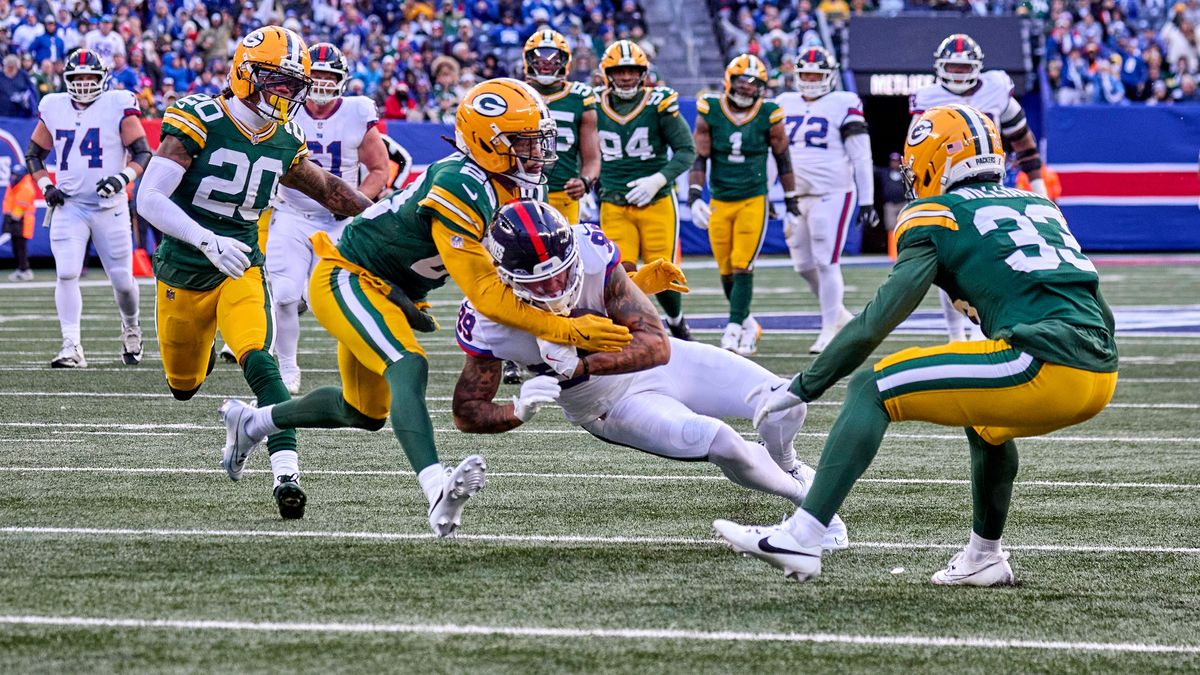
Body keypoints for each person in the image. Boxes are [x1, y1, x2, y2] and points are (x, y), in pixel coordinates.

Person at [714, 104, 1119, 586]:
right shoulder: (1039, 206)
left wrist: (806, 384)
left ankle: (803, 535)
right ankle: (984, 558)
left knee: (871, 387)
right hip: (1099, 371)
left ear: (934, 160)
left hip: (1042, 361)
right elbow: (1095, 301)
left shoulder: (935, 215)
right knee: (988, 425)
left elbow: (877, 320)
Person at [216, 78, 634, 537]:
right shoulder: (460, 182)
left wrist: (632, 278)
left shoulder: (516, 187)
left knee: (364, 412)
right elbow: (486, 293)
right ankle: (436, 489)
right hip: (348, 276)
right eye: (522, 142)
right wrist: (568, 332)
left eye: (536, 141)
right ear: (485, 143)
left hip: (392, 291)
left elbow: (543, 261)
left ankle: (252, 422)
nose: (535, 153)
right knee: (407, 364)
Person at [451, 199, 847, 548]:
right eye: (542, 281)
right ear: (507, 280)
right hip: (609, 406)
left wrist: (583, 362)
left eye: (563, 271)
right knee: (725, 443)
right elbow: (467, 410)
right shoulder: (489, 320)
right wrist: (518, 411)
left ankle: (788, 463)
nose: (558, 285)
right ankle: (812, 508)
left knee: (784, 399)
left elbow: (656, 346)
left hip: (663, 364)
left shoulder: (590, 249)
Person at [135, 27, 373, 519]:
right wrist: (205, 238)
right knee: (183, 385)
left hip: (242, 263)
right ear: (246, 74)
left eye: (294, 85)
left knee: (262, 364)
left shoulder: (285, 136)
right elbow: (149, 198)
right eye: (277, 81)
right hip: (185, 267)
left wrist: (390, 224)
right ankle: (223, 408)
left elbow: (330, 191)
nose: (287, 93)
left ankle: (287, 475)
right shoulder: (201, 118)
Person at [267, 43, 389, 395]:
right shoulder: (285, 111)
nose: (321, 82)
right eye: (315, 75)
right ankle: (288, 366)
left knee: (329, 297)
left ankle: (367, 364)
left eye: (328, 76)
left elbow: (379, 168)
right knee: (286, 295)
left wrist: (353, 203)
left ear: (342, 79)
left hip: (338, 222)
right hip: (292, 214)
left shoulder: (356, 112)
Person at [910, 34, 1049, 342]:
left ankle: (988, 330)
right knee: (946, 266)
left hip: (991, 188)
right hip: (946, 190)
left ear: (977, 68)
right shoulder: (928, 97)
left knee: (992, 260)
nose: (958, 73)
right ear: (940, 67)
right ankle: (956, 336)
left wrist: (1038, 185)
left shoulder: (997, 91)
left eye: (964, 67)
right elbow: (915, 150)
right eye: (953, 67)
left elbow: (1023, 141)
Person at [25, 48, 151, 368]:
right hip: (70, 206)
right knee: (66, 273)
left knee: (122, 281)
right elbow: (33, 155)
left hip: (110, 206)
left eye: (89, 77)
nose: (83, 83)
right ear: (66, 79)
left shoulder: (118, 104)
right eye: (77, 78)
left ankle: (131, 326)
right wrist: (46, 186)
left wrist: (121, 178)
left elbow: (142, 153)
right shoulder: (53, 106)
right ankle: (71, 345)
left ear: (102, 79)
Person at [510, 28, 600, 384]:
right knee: (513, 273)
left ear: (565, 62)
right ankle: (511, 352)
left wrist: (587, 180)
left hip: (562, 196)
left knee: (562, 278)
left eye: (553, 59)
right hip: (520, 192)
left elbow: (592, 157)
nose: (546, 64)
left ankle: (561, 345)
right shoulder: (514, 94)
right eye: (539, 58)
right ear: (528, 62)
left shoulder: (580, 98)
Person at [689, 54, 795, 356]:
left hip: (753, 199)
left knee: (742, 264)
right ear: (729, 81)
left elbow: (783, 158)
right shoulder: (710, 109)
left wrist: (791, 201)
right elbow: (700, 156)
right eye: (742, 81)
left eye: (754, 83)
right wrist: (695, 193)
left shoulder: (770, 113)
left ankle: (733, 328)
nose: (747, 88)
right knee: (725, 271)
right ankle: (748, 323)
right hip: (720, 199)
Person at [775, 46, 876, 354]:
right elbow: (774, 152)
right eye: (805, 73)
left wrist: (867, 198)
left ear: (830, 77)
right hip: (795, 194)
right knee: (802, 264)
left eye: (816, 74)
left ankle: (829, 328)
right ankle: (840, 314)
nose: (810, 79)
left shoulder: (842, 102)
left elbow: (860, 153)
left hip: (833, 191)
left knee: (825, 257)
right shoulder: (782, 102)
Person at [595, 40, 697, 340]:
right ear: (607, 73)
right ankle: (634, 331)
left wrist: (658, 179)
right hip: (613, 199)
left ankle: (677, 322)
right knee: (619, 273)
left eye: (632, 71)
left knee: (662, 272)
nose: (626, 77)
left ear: (643, 72)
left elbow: (685, 150)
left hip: (657, 200)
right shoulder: (592, 105)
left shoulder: (659, 103)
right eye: (620, 71)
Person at [3, 164, 36, 281]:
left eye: (16, 175)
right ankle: (21, 268)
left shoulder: (26, 187)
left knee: (20, 247)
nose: (13, 177)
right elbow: (8, 201)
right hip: (14, 218)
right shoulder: (14, 185)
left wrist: (12, 217)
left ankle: (25, 269)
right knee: (15, 247)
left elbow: (21, 205)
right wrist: (7, 215)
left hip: (22, 221)